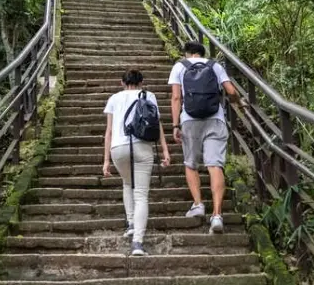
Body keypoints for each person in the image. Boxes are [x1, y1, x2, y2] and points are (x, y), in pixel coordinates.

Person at [169, 41, 244, 234]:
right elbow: (231, 91)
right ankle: (217, 215)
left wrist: (175, 124)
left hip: (189, 120)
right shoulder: (215, 66)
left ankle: (198, 204)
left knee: (191, 163)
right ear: (202, 53)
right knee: (215, 165)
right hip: (215, 119)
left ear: (188, 54)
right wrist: (239, 103)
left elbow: (176, 97)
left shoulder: (179, 66)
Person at [103, 69, 171, 256]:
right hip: (143, 147)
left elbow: (108, 132)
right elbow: (157, 125)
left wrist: (106, 160)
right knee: (141, 194)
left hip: (118, 148)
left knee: (127, 183)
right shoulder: (149, 96)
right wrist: (165, 149)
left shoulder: (114, 99)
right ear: (141, 83)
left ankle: (131, 223)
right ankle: (137, 244)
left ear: (122, 82)